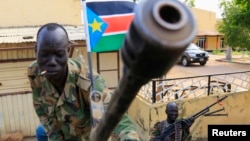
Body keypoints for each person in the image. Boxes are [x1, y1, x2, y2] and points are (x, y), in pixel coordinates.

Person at [27, 23, 140, 141]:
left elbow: (113, 116)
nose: (51, 62)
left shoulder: (87, 81)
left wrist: (129, 138)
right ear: (36, 51)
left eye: (59, 54)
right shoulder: (34, 73)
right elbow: (42, 111)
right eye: (44, 54)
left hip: (87, 135)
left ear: (68, 51)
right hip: (60, 129)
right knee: (41, 131)